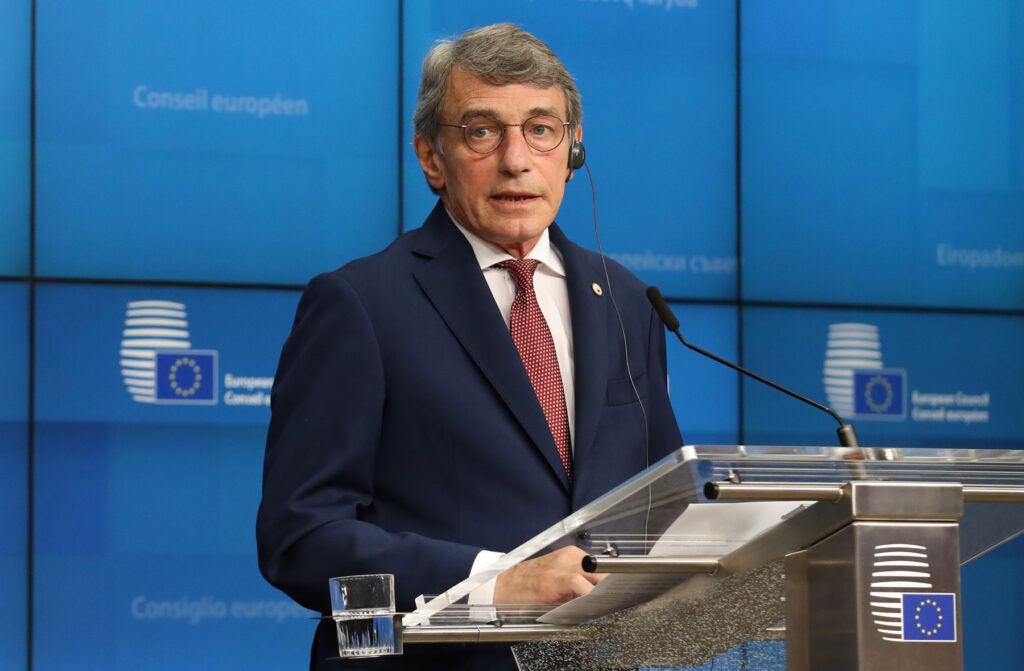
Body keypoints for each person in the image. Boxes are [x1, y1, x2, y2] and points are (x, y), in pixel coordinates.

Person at [257, 23, 682, 670]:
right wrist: (497, 580)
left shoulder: (627, 301)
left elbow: (663, 505)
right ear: (431, 157)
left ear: (573, 152)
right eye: (483, 131)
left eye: (541, 128)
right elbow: (302, 536)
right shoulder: (361, 304)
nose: (517, 159)